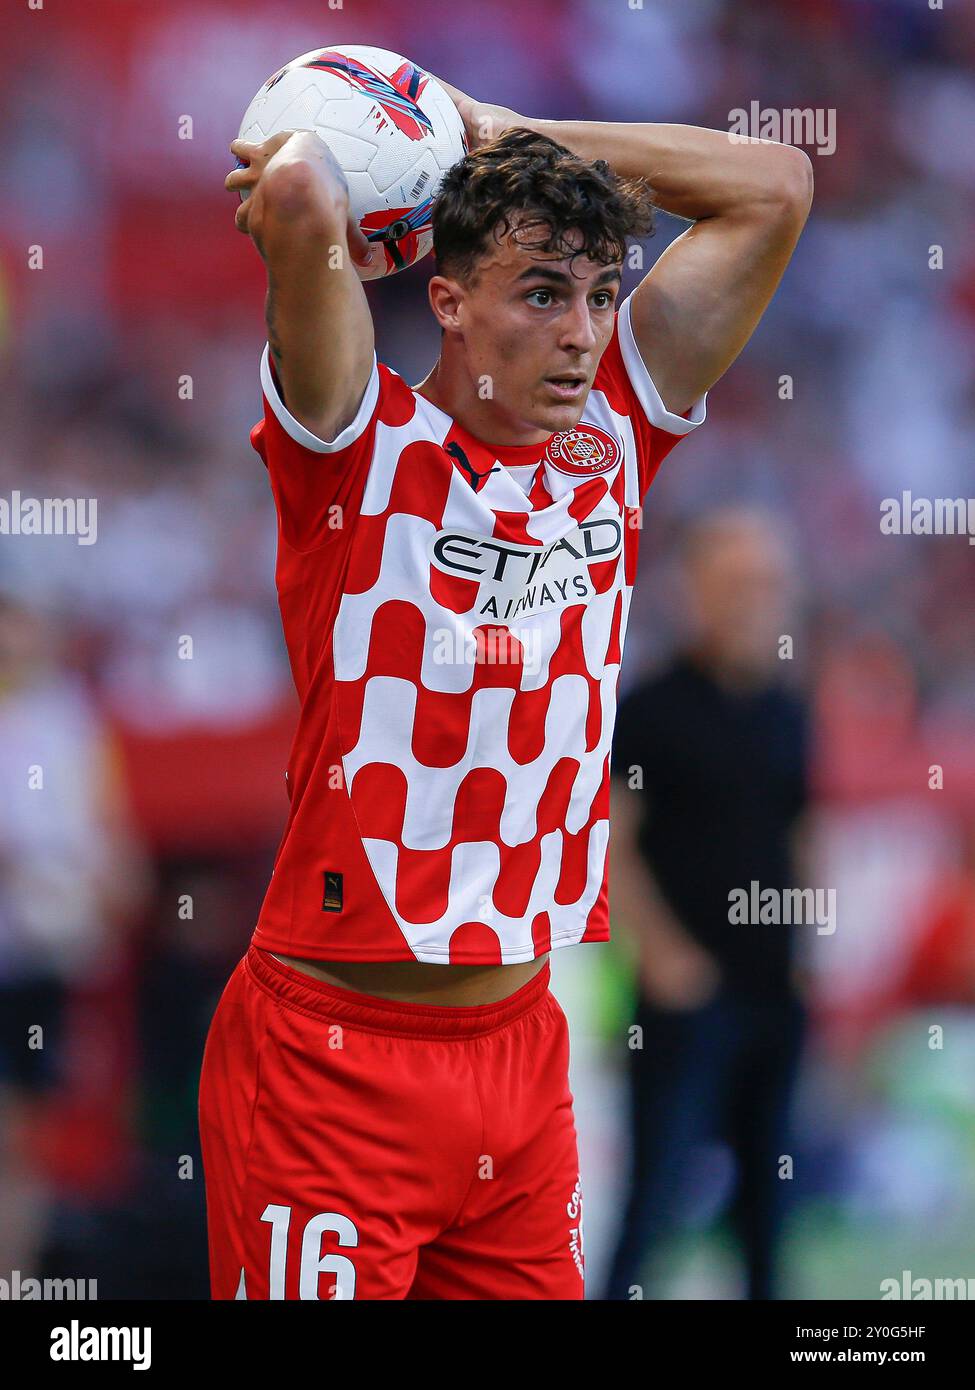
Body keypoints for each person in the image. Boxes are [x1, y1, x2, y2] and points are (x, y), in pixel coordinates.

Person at [198, 68, 812, 1300]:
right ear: (448, 299)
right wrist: (390, 164)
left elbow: (776, 185)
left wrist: (497, 133)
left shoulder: (616, 432)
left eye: (599, 294)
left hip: (522, 1058)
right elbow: (311, 192)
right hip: (332, 1061)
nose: (585, 331)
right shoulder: (353, 449)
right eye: (541, 293)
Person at [602, 510, 810, 1300]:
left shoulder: (787, 707)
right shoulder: (653, 708)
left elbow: (799, 832)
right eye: (735, 585)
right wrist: (660, 953)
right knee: (652, 1199)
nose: (754, 602)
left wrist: (809, 951)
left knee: (770, 1207)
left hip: (771, 989)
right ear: (694, 591)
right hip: (686, 997)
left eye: (766, 586)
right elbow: (609, 840)